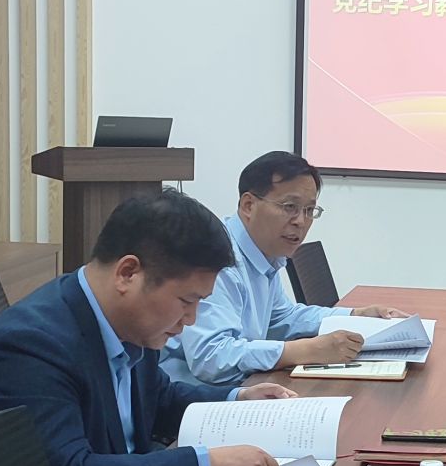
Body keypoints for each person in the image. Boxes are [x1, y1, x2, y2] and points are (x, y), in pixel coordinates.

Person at [0, 189, 297, 466]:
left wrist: (238, 400)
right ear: (128, 273)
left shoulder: (128, 322)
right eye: (187, 301)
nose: (190, 320)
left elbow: (160, 398)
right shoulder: (33, 345)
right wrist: (206, 465)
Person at [165, 151, 409, 385]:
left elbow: (283, 318)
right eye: (289, 207)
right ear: (248, 205)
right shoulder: (219, 259)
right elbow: (210, 358)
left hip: (245, 387)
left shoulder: (264, 254)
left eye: (309, 210)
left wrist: (356, 316)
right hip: (191, 401)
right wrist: (304, 351)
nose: (301, 221)